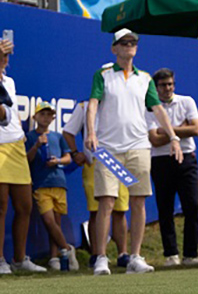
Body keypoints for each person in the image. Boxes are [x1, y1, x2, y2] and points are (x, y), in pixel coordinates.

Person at [85, 29, 184, 275]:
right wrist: (91, 132)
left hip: (138, 147)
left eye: (133, 43)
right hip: (108, 149)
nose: (129, 46)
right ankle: (101, 258)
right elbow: (93, 104)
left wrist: (173, 136)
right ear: (114, 48)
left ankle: (135, 257)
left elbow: (158, 109)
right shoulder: (103, 75)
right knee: (106, 202)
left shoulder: (145, 79)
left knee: (138, 202)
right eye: (124, 43)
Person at [63, 97, 130, 272]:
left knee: (120, 210)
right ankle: (97, 254)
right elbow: (68, 132)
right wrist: (76, 153)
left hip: (118, 161)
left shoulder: (124, 104)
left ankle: (123, 254)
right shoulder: (85, 106)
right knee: (96, 211)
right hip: (95, 161)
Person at [146, 69, 198, 267]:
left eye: (170, 84)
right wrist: (181, 129)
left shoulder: (187, 101)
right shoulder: (150, 108)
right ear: (156, 87)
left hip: (186, 158)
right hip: (161, 160)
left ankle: (191, 254)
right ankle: (171, 254)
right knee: (165, 208)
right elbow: (154, 139)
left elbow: (195, 129)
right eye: (163, 85)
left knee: (193, 206)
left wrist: (168, 130)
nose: (168, 88)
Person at [0, 36, 45, 273]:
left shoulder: (10, 81)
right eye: (1, 54)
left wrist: (19, 129)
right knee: (1, 205)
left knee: (25, 205)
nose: (5, 59)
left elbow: (10, 112)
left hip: (16, 145)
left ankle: (19, 259)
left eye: (6, 55)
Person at [25, 101, 74, 271]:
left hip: (59, 183)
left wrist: (58, 161)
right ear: (35, 117)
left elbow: (68, 158)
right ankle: (66, 249)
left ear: (54, 117)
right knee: (48, 221)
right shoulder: (30, 137)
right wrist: (37, 145)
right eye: (42, 114)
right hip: (40, 184)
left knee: (56, 223)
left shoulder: (58, 136)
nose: (46, 117)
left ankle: (55, 257)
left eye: (49, 114)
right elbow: (27, 159)